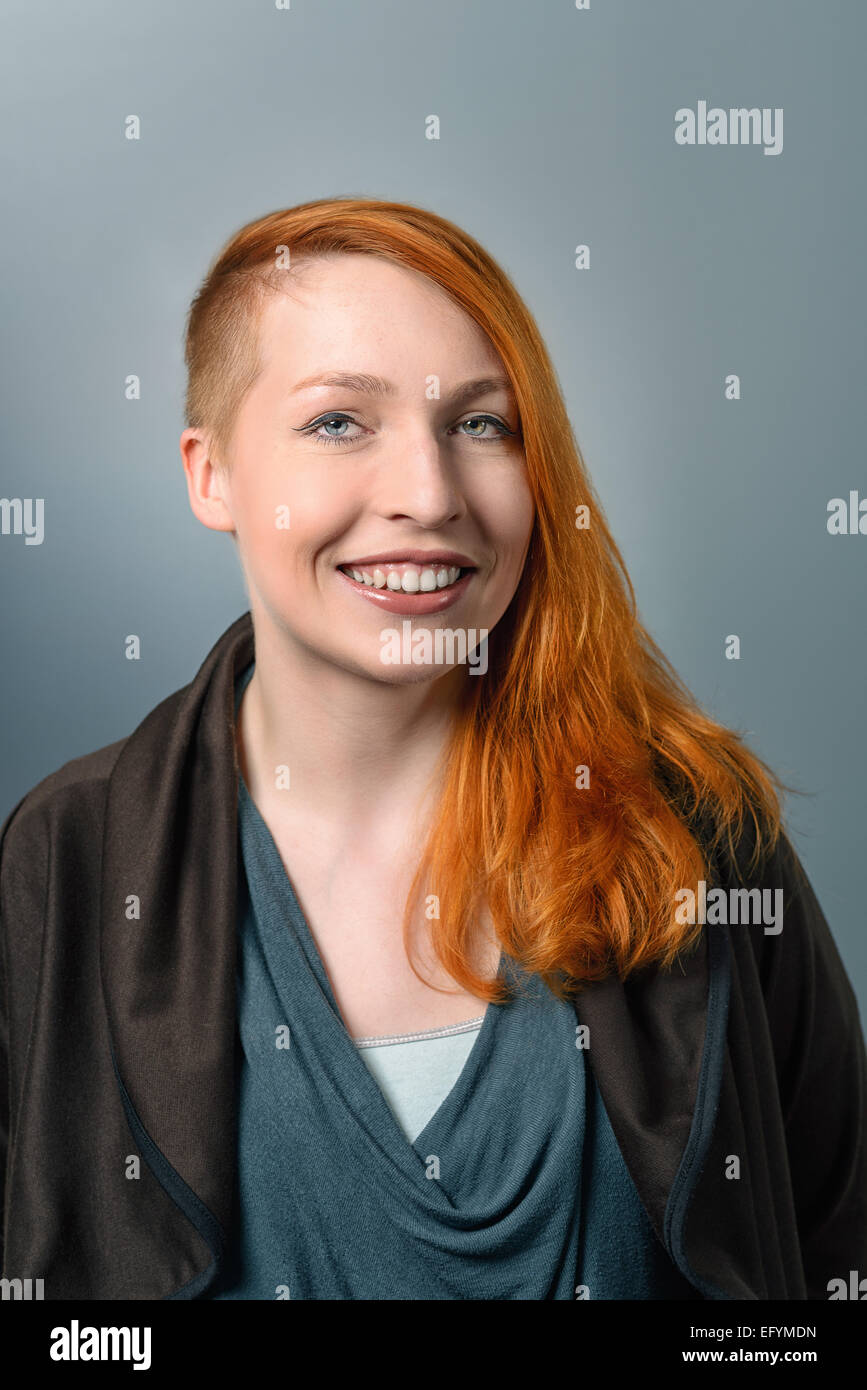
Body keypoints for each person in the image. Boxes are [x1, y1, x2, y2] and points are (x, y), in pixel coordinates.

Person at [1, 197, 864, 1301]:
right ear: (210, 473)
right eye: (339, 423)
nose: (428, 494)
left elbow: (839, 1242)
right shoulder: (66, 858)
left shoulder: (695, 834)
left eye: (480, 424)